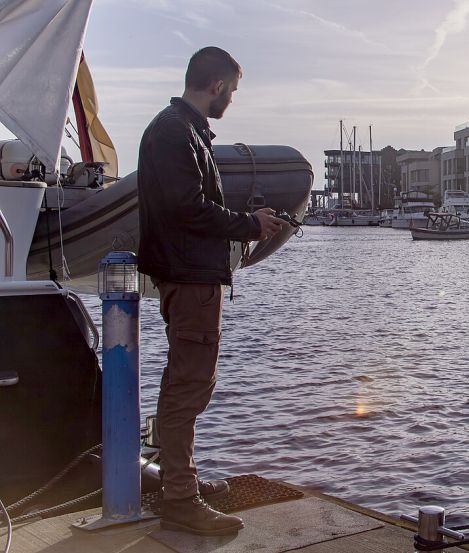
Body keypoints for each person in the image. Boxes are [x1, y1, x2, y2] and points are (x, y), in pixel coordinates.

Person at [137, 47, 286, 536]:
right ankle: (180, 497)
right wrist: (250, 224)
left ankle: (183, 480)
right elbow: (187, 209)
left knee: (187, 382)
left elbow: (186, 206)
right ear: (218, 86)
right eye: (234, 91)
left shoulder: (179, 129)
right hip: (191, 276)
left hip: (189, 273)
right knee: (189, 387)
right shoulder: (175, 133)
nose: (232, 101)